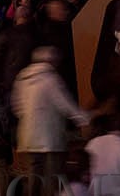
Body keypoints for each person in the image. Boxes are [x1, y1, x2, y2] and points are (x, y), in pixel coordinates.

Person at [10, 46, 92, 193]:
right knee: (52, 179)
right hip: (50, 139)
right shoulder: (50, 79)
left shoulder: (22, 78)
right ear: (51, 61)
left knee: (33, 178)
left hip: (28, 138)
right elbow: (64, 104)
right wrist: (85, 119)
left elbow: (17, 107)